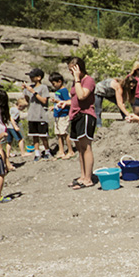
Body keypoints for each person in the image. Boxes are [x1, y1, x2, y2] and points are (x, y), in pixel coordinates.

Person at [63, 56, 98, 189]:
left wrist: (77, 79)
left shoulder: (87, 80)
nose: (71, 71)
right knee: (80, 149)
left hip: (86, 115)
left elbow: (83, 95)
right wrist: (64, 103)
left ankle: (88, 179)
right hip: (75, 116)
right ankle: (83, 176)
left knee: (86, 147)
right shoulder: (76, 82)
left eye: (73, 68)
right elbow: (75, 98)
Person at [19, 68, 52, 161]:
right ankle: (37, 153)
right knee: (34, 135)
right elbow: (26, 100)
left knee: (43, 135)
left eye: (32, 76)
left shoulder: (43, 88)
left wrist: (34, 92)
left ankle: (47, 151)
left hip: (41, 115)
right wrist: (25, 90)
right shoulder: (30, 87)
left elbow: (44, 100)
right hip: (32, 115)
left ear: (39, 77)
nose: (30, 78)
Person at [50, 72, 73, 159]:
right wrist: (54, 107)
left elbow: (67, 102)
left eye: (54, 83)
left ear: (59, 81)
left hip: (63, 115)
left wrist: (56, 102)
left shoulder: (64, 91)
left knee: (64, 133)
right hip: (57, 114)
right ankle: (61, 150)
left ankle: (70, 150)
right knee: (59, 133)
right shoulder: (58, 91)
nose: (53, 85)